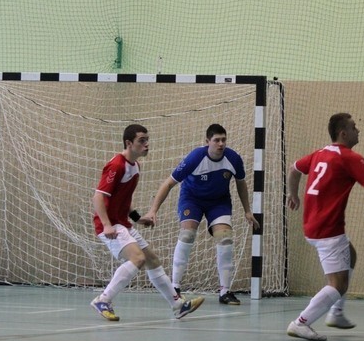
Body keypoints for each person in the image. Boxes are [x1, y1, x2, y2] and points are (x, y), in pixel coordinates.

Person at [285, 113, 364, 341]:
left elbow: (294, 169)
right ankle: (301, 323)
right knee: (338, 284)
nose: (358, 131)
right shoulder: (349, 158)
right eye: (355, 127)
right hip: (327, 229)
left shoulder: (320, 153)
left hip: (312, 224)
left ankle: (336, 313)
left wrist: (292, 194)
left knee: (350, 255)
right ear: (343, 133)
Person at [90, 124, 205, 321]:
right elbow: (98, 197)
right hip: (109, 225)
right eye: (141, 141)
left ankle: (178, 305)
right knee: (138, 258)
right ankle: (104, 299)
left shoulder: (135, 166)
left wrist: (137, 218)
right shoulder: (117, 165)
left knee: (152, 259)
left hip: (122, 222)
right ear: (129, 143)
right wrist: (107, 225)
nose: (146, 144)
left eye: (147, 140)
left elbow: (123, 199)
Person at [141, 124, 260, 306]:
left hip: (218, 202)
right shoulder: (195, 158)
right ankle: (175, 287)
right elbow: (168, 184)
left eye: (223, 140)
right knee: (187, 234)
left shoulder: (233, 159)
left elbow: (241, 184)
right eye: (216, 140)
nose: (221, 144)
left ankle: (225, 292)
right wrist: (153, 210)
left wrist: (247, 210)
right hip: (192, 199)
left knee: (225, 238)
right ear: (207, 142)